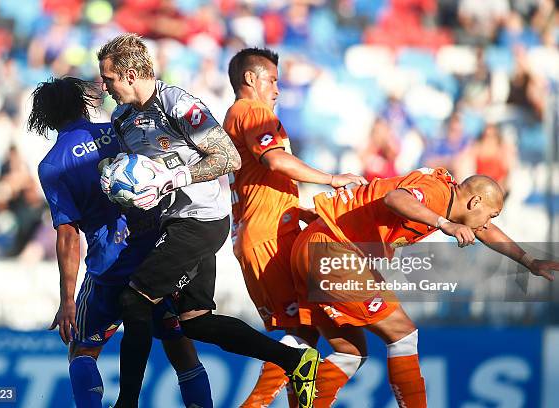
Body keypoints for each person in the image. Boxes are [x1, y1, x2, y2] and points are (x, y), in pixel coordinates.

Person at [97, 33, 320, 408]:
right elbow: (141, 178)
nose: (105, 86)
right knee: (196, 321)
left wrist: (174, 177)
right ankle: (296, 361)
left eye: (109, 79)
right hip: (173, 223)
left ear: (131, 74)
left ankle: (127, 404)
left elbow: (227, 158)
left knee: (134, 301)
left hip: (201, 220)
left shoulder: (178, 105)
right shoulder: (122, 119)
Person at [290, 167, 557, 407]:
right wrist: (445, 224)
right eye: (491, 214)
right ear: (475, 201)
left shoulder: (449, 197)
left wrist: (528, 261)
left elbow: (484, 230)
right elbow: (395, 198)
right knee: (403, 335)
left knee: (350, 353)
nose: (488, 223)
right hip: (333, 250)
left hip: (316, 246)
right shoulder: (437, 194)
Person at [29, 77, 213, 408]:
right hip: (154, 256)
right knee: (179, 345)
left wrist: (67, 299)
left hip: (108, 267)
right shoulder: (119, 129)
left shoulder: (53, 164)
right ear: (81, 103)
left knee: (83, 350)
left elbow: (67, 234)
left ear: (46, 117)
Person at [223, 47, 366, 407]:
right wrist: (331, 179)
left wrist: (297, 209)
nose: (277, 90)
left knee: (300, 337)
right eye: (271, 80)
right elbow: (274, 160)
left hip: (260, 231)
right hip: (268, 235)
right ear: (250, 79)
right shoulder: (252, 111)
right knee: (298, 334)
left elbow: (262, 178)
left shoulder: (236, 116)